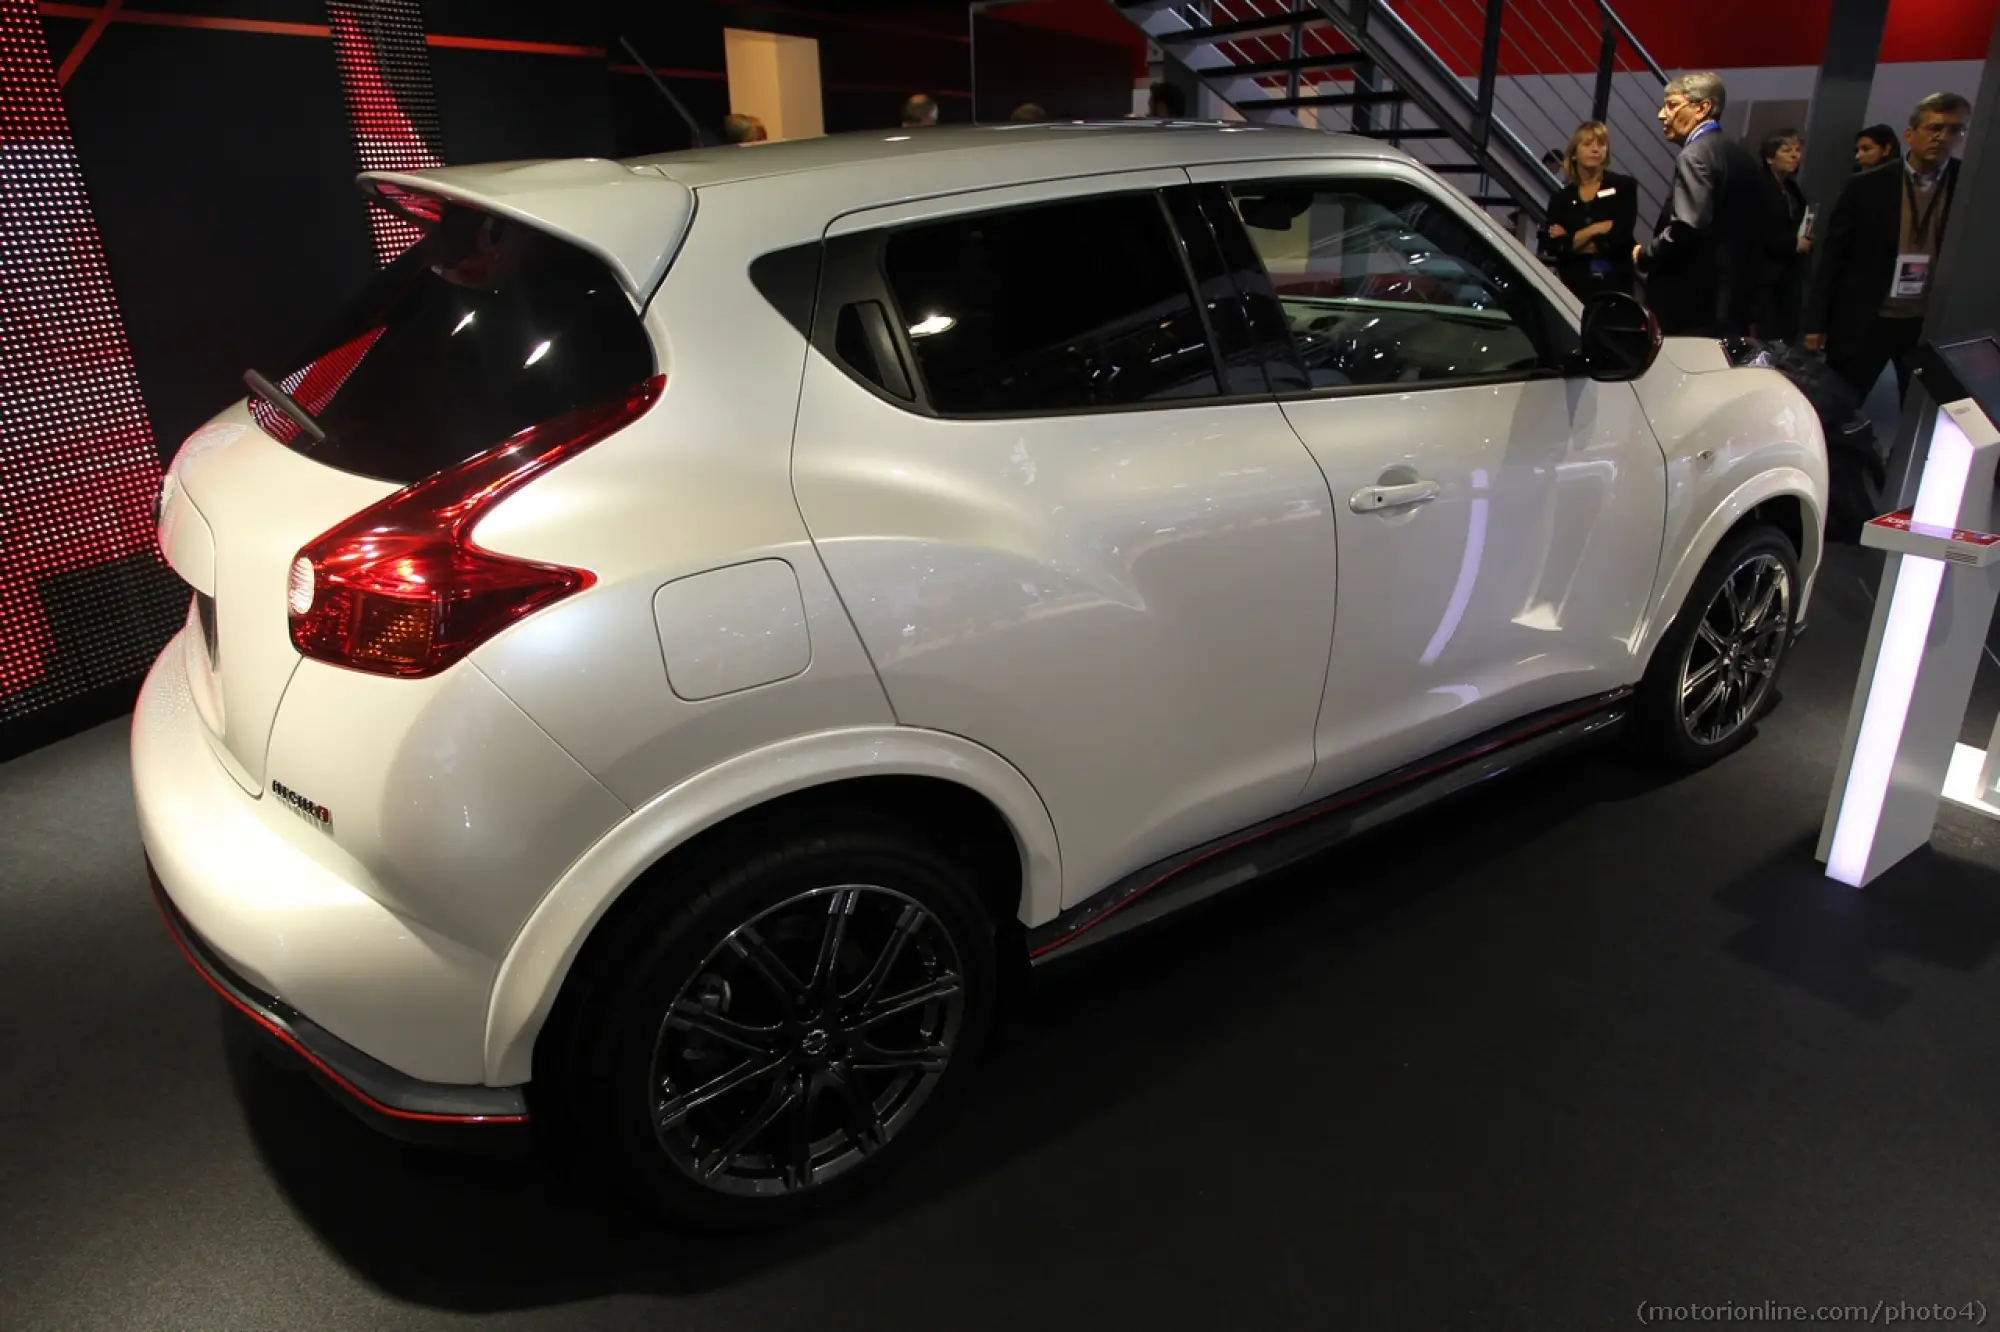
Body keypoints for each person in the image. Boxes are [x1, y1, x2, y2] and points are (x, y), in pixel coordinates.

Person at [1804, 92, 1972, 403]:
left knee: (1926, 409)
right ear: (1910, 134)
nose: (1942, 137)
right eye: (1934, 128)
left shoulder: (1968, 185)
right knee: (1840, 404)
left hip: (1928, 321)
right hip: (1868, 316)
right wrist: (1816, 322)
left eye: (1954, 129)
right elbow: (1833, 257)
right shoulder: (1868, 185)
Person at [1632, 72, 1767, 337]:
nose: (1662, 115)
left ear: (1702, 108)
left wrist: (1646, 254)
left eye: (1671, 105)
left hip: (1690, 304)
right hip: (1730, 301)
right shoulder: (1740, 155)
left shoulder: (1694, 155)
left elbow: (1687, 227)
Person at [1542, 121, 1638, 299]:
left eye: (1601, 144)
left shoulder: (1624, 187)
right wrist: (1597, 228)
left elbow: (1620, 238)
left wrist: (1572, 239)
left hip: (1615, 288)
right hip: (1573, 291)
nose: (1595, 149)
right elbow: (1555, 247)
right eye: (1587, 144)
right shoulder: (1560, 199)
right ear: (1574, 154)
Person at [1757, 129, 1813, 341]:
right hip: (1765, 277)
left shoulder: (1791, 187)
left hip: (1788, 274)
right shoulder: (1760, 185)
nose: (1794, 155)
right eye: (1787, 150)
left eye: (1797, 150)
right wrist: (1792, 244)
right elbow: (1757, 232)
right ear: (1770, 157)